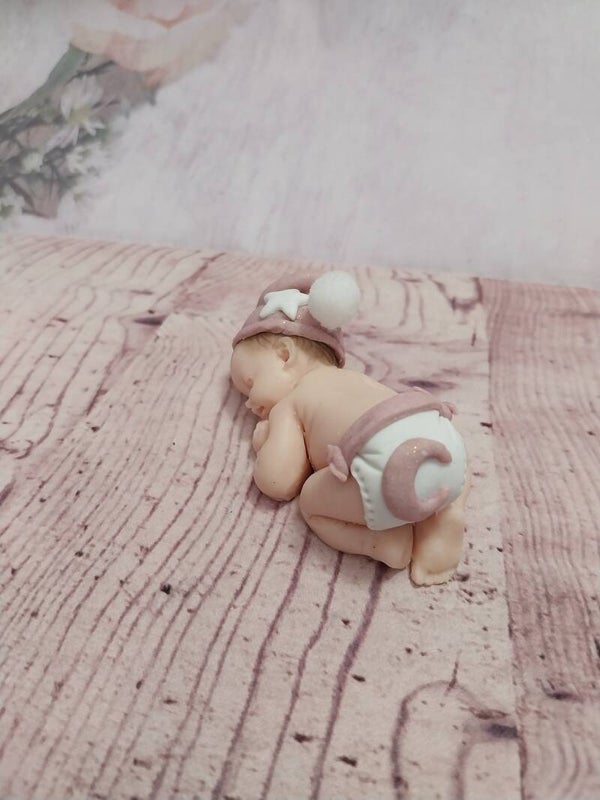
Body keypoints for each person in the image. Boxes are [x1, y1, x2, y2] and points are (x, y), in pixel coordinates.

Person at [230, 272, 468, 586]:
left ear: (284, 355)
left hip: (384, 467)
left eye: (250, 384)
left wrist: (265, 440)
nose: (249, 404)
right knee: (448, 466)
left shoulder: (290, 404)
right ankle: (447, 511)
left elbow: (278, 481)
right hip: (436, 433)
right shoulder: (356, 379)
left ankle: (385, 541)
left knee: (312, 501)